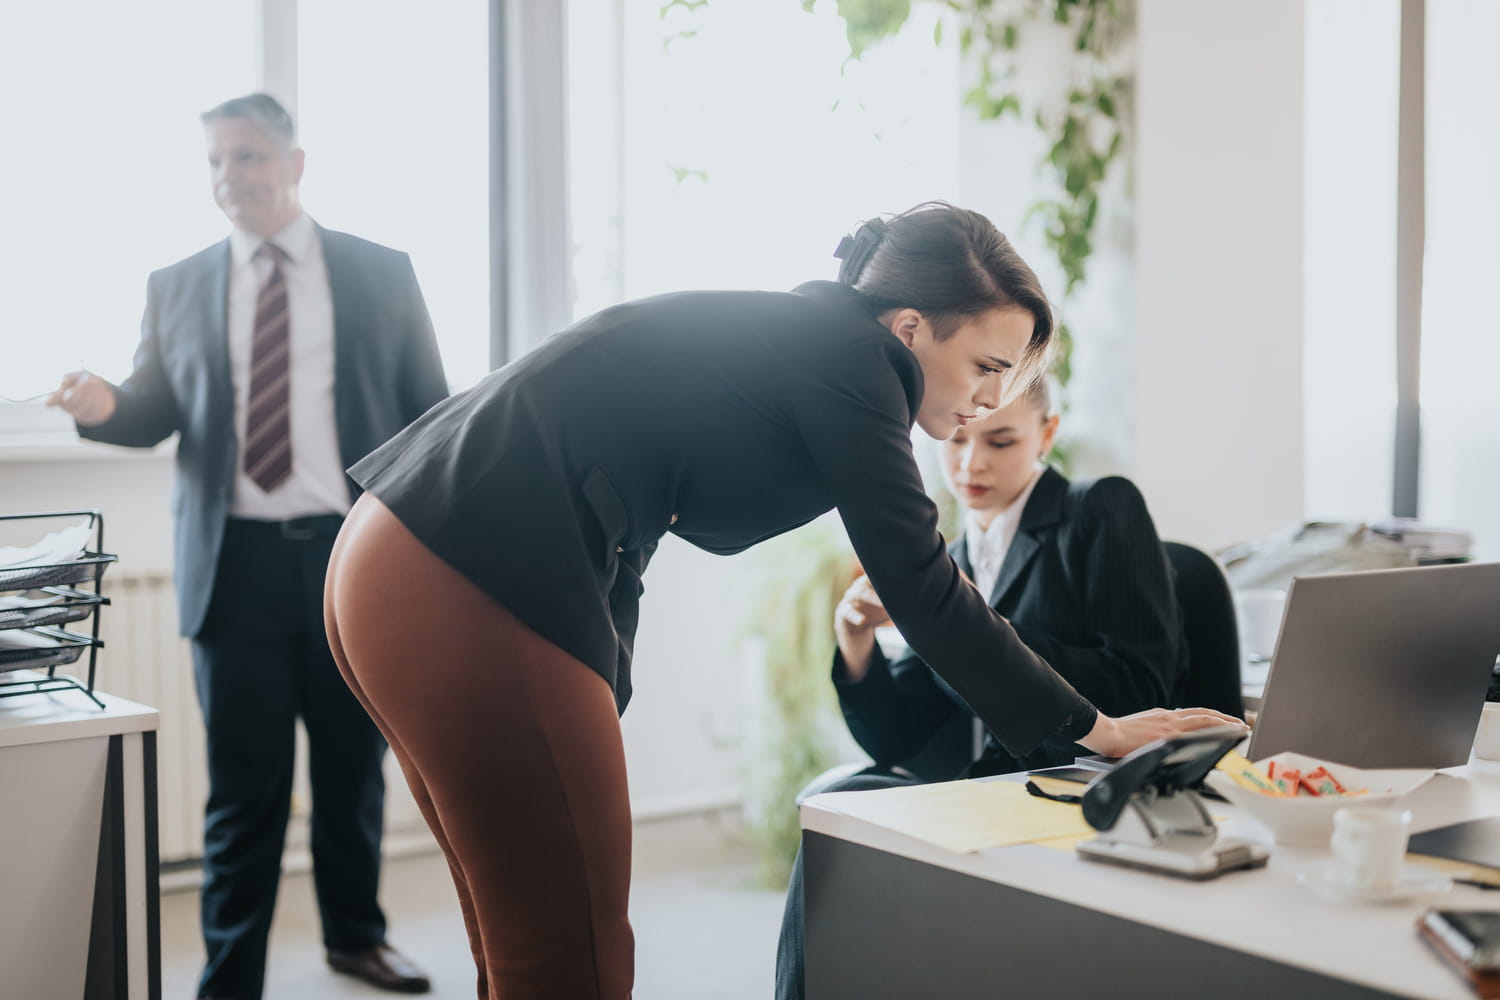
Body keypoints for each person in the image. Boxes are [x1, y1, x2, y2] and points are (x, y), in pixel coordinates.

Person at [320, 200, 1245, 999]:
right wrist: (1099, 729)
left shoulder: (806, 343)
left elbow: (632, 514)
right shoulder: (856, 363)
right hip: (466, 566)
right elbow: (926, 588)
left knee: (522, 937)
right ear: (911, 329)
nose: (991, 398)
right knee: (573, 957)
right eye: (986, 366)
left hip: (396, 547)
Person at [48, 93, 444, 1000]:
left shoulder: (382, 273)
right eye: (215, 162)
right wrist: (104, 407)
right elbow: (153, 410)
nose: (230, 177)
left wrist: (432, 552)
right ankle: (231, 978)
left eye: (249, 157)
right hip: (233, 571)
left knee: (352, 771)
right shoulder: (177, 283)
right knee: (243, 788)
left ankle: (356, 938)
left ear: (295, 164)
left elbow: (430, 412)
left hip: (352, 562)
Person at [774, 377, 1189, 1000]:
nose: (972, 464)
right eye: (958, 440)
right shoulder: (956, 556)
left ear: (1046, 434)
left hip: (1077, 783)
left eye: (1000, 441)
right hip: (991, 785)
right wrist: (855, 641)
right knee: (837, 801)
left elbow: (1136, 686)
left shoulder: (1099, 508)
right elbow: (896, 739)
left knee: (843, 805)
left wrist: (974, 624)